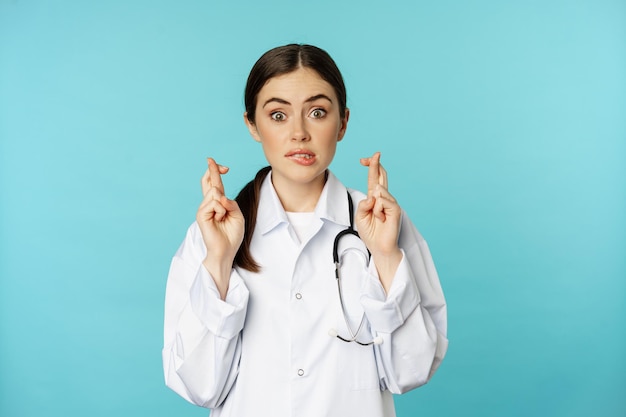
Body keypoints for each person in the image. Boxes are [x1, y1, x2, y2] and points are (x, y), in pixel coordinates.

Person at [162, 44, 448, 417]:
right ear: (252, 125)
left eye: (317, 112)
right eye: (278, 115)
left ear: (342, 122)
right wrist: (218, 262)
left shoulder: (383, 225)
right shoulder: (213, 233)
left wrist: (386, 257)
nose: (299, 133)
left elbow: (411, 371)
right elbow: (198, 387)